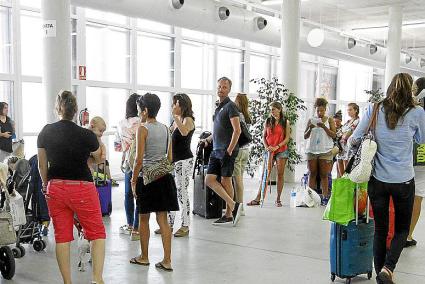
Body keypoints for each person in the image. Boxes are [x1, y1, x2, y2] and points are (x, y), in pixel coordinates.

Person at [351, 73, 425, 283]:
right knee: (402, 229)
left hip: (378, 180)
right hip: (403, 180)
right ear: (410, 90)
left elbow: (355, 138)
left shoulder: (374, 108)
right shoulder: (417, 111)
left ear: (390, 87)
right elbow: (422, 139)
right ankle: (388, 269)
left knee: (381, 229)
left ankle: (381, 272)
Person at [37, 90, 106, 284]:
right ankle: (97, 280)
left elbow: (43, 165)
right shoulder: (86, 134)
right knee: (96, 232)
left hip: (55, 188)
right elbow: (99, 157)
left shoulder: (45, 131)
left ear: (57, 109)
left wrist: (45, 185)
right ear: (75, 111)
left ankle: (67, 282)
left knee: (62, 236)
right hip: (82, 188)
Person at [130, 93, 179, 271]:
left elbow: (138, 160)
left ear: (145, 110)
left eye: (139, 110)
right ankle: (167, 260)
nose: (138, 113)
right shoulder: (166, 128)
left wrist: (133, 180)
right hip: (164, 178)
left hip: (147, 179)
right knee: (163, 220)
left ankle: (144, 257)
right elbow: (170, 157)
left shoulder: (142, 129)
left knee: (144, 218)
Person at [202, 77, 242, 226]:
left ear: (229, 89)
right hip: (216, 150)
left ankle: (228, 214)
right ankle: (232, 204)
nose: (221, 89)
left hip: (227, 151)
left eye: (224, 87)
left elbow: (237, 131)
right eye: (219, 86)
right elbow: (219, 130)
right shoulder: (219, 107)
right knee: (209, 180)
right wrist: (208, 140)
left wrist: (229, 150)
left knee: (226, 181)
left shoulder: (231, 106)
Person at [154, 93, 195, 237]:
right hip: (173, 161)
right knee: (171, 192)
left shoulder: (187, 119)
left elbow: (184, 132)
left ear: (182, 105)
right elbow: (169, 135)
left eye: (175, 104)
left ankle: (185, 224)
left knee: (182, 192)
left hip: (184, 161)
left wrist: (176, 118)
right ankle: (169, 224)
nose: (173, 107)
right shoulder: (176, 121)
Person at [247, 101, 290, 207]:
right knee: (265, 174)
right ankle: (258, 198)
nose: (271, 111)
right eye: (271, 109)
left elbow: (287, 138)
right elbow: (263, 136)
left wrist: (277, 146)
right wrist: (267, 147)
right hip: (269, 150)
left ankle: (278, 199)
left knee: (280, 174)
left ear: (279, 109)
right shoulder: (267, 121)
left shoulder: (285, 122)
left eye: (273, 109)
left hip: (281, 150)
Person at [118, 93, 141, 241]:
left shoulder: (121, 123)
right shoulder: (142, 122)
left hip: (127, 161)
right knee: (138, 193)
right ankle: (137, 227)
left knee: (128, 193)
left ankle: (130, 224)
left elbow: (120, 146)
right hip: (140, 160)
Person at [304, 98, 336, 206]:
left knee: (324, 175)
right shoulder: (311, 120)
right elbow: (305, 136)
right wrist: (310, 128)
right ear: (315, 109)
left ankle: (325, 197)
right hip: (312, 150)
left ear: (325, 109)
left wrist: (324, 127)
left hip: (325, 150)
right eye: (318, 111)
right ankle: (309, 197)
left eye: (322, 111)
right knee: (312, 174)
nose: (319, 113)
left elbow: (334, 135)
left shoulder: (329, 120)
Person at [406, 77, 425, 247]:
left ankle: (401, 233)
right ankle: (408, 235)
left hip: (407, 155)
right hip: (421, 156)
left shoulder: (411, 108)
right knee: (417, 195)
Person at [232, 93, 252, 214]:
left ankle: (239, 207)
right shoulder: (247, 116)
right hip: (246, 150)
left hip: (238, 150)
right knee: (240, 180)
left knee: (237, 180)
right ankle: (240, 205)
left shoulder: (237, 115)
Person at [336, 103, 360, 175]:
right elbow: (338, 133)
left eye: (350, 110)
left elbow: (346, 136)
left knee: (347, 172)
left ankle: (348, 185)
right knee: (340, 173)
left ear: (356, 110)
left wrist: (343, 134)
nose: (348, 111)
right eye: (347, 110)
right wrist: (342, 134)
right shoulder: (348, 121)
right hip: (341, 148)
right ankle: (342, 185)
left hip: (349, 148)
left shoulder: (357, 121)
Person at [333, 110, 344, 177]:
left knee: (339, 171)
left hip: (340, 151)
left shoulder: (344, 129)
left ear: (341, 121)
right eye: (335, 122)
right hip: (332, 151)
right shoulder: (332, 129)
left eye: (338, 122)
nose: (336, 123)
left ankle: (339, 183)